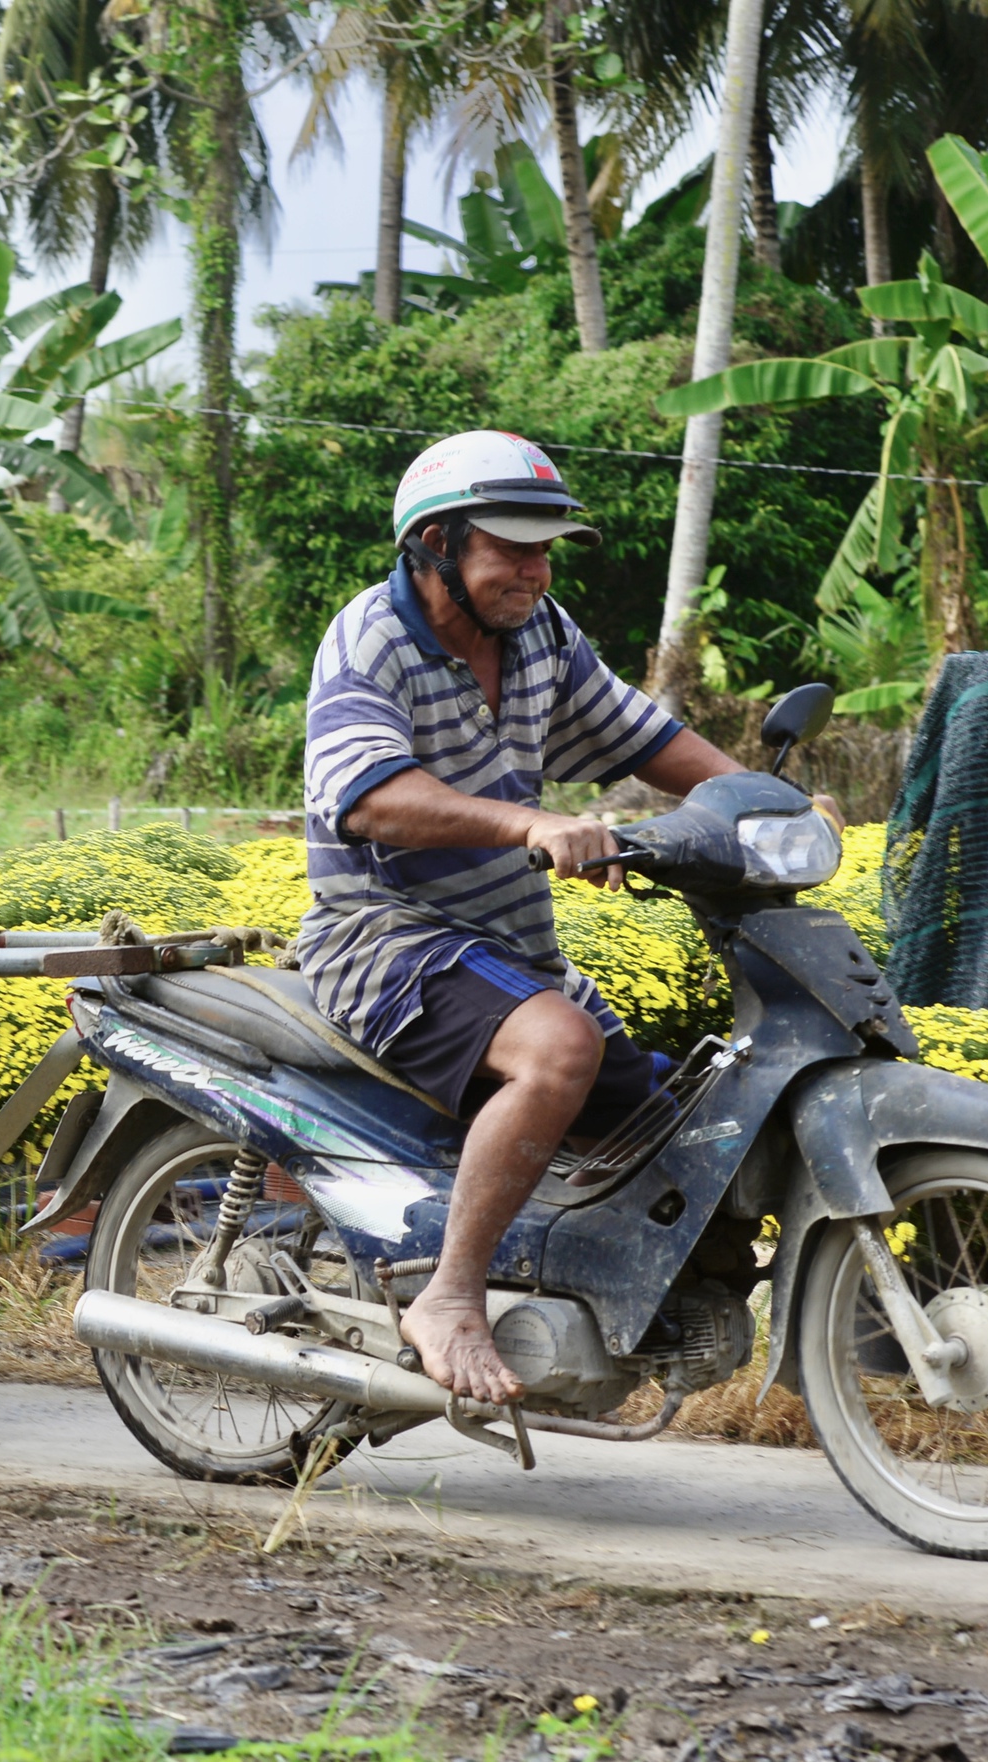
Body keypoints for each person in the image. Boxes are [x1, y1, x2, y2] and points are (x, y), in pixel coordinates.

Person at [297, 431, 758, 1406]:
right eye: (511, 547)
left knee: (666, 1131)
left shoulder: (540, 634)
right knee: (558, 1049)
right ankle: (449, 1295)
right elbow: (366, 796)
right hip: (379, 938)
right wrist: (532, 820)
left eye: (545, 549)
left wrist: (761, 800)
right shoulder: (369, 638)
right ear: (433, 543)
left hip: (506, 950)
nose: (535, 569)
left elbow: (643, 737)